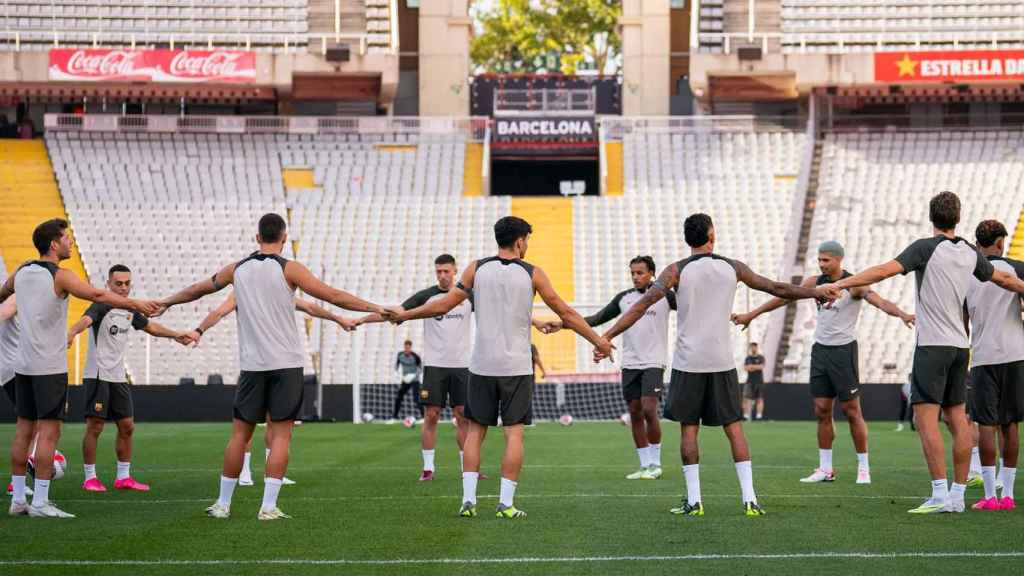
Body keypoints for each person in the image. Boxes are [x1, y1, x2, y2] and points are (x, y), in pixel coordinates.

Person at [158, 213, 399, 520]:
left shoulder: (237, 270)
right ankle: (268, 507)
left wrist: (167, 302)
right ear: (284, 238)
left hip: (253, 366)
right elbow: (333, 295)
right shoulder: (290, 269)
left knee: (239, 436)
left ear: (257, 237)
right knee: (281, 436)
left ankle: (222, 504)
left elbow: (198, 289)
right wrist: (377, 307)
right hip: (286, 365)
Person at [594, 213, 833, 517]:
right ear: (712, 234)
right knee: (734, 429)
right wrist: (815, 291)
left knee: (689, 431)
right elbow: (777, 288)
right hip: (722, 362)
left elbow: (641, 306)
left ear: (686, 239)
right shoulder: (732, 267)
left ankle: (695, 502)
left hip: (688, 363)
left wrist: (607, 336)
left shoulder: (675, 271)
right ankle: (750, 500)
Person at [391, 216, 614, 519]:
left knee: (474, 433)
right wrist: (598, 340)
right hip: (516, 368)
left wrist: (406, 315)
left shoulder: (476, 268)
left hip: (481, 366)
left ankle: (468, 501)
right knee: (514, 435)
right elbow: (567, 313)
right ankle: (505, 505)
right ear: (520, 240)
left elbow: (442, 305)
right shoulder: (533, 273)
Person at [817, 191, 1024, 514]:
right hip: (960, 348)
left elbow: (884, 271)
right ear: (958, 217)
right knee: (957, 418)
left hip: (932, 346)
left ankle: (940, 494)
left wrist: (842, 285)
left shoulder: (925, 248)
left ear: (932, 218)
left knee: (924, 417)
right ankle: (957, 496)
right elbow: (1003, 279)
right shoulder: (970, 252)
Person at [1, 218, 162, 518]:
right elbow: (98, 295)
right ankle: (40, 503)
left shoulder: (22, 271)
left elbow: (2, 294)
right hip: (48, 368)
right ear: (53, 244)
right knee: (49, 433)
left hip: (22, 366)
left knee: (24, 431)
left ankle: (18, 499)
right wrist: (135, 303)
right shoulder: (61, 275)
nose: (70, 241)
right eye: (66, 237)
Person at [734, 240, 914, 485]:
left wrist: (903, 314)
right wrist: (751, 314)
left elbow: (881, 302)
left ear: (839, 260)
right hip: (820, 351)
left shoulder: (855, 284)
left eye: (826, 260)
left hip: (843, 352)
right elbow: (783, 298)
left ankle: (863, 467)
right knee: (821, 411)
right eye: (819, 260)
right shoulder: (814, 283)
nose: (821, 264)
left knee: (852, 411)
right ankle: (826, 469)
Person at [186, 291, 357, 487]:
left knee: (275, 422)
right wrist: (199, 330)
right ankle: (245, 471)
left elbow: (309, 307)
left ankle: (272, 472)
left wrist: (337, 318)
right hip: (254, 365)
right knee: (246, 425)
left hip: (279, 364)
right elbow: (218, 312)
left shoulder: (278, 289)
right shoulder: (243, 291)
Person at [541, 255, 675, 480]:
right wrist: (563, 324)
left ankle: (656, 463)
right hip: (630, 363)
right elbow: (596, 318)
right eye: (632, 272)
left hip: (654, 362)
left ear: (652, 273)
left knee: (649, 409)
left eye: (640, 272)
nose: (635, 277)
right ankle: (644, 466)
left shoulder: (665, 296)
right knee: (634, 412)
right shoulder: (623, 298)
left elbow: (691, 307)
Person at [66, 264, 194, 493]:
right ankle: (90, 478)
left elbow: (151, 327)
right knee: (95, 427)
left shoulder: (129, 310)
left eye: (127, 283)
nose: (123, 288)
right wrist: (72, 332)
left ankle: (123, 477)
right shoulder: (101, 305)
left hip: (118, 377)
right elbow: (86, 320)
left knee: (127, 426)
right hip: (98, 375)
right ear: (108, 284)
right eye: (118, 283)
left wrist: (176, 335)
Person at [964, 220, 1022, 511]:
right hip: (1015, 354)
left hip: (984, 356)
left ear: (978, 244)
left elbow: (962, 323)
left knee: (986, 425)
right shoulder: (1017, 269)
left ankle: (989, 496)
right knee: (1010, 424)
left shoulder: (967, 275)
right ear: (1001, 243)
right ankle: (1008, 495)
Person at [392, 340, 423, 421]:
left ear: (410, 348)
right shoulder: (400, 355)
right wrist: (398, 376)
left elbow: (420, 369)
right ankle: (394, 417)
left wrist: (413, 376)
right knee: (399, 397)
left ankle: (423, 417)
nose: (407, 349)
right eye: (406, 348)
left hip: (414, 380)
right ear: (404, 347)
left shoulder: (415, 356)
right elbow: (396, 367)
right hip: (405, 380)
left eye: (408, 348)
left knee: (416, 399)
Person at [742, 343, 766, 420]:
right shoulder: (748, 358)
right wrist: (755, 367)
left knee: (760, 398)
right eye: (752, 347)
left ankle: (759, 415)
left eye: (754, 347)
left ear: (757, 348)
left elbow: (761, 367)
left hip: (759, 381)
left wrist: (752, 366)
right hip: (749, 381)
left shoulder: (761, 357)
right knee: (746, 399)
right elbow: (746, 368)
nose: (753, 348)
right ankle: (746, 415)